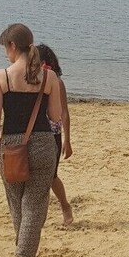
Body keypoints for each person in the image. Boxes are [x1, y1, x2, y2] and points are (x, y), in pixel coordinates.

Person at [0, 24, 63, 257]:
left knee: (17, 203)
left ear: (12, 46)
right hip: (42, 143)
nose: (5, 54)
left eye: (5, 48)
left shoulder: (1, 77)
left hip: (10, 144)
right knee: (35, 204)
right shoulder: (48, 77)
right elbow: (55, 117)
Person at [36, 43, 74, 226]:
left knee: (51, 176)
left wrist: (68, 140)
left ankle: (65, 206)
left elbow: (65, 113)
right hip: (35, 133)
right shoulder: (30, 81)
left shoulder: (57, 83)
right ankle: (37, 213)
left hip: (53, 134)